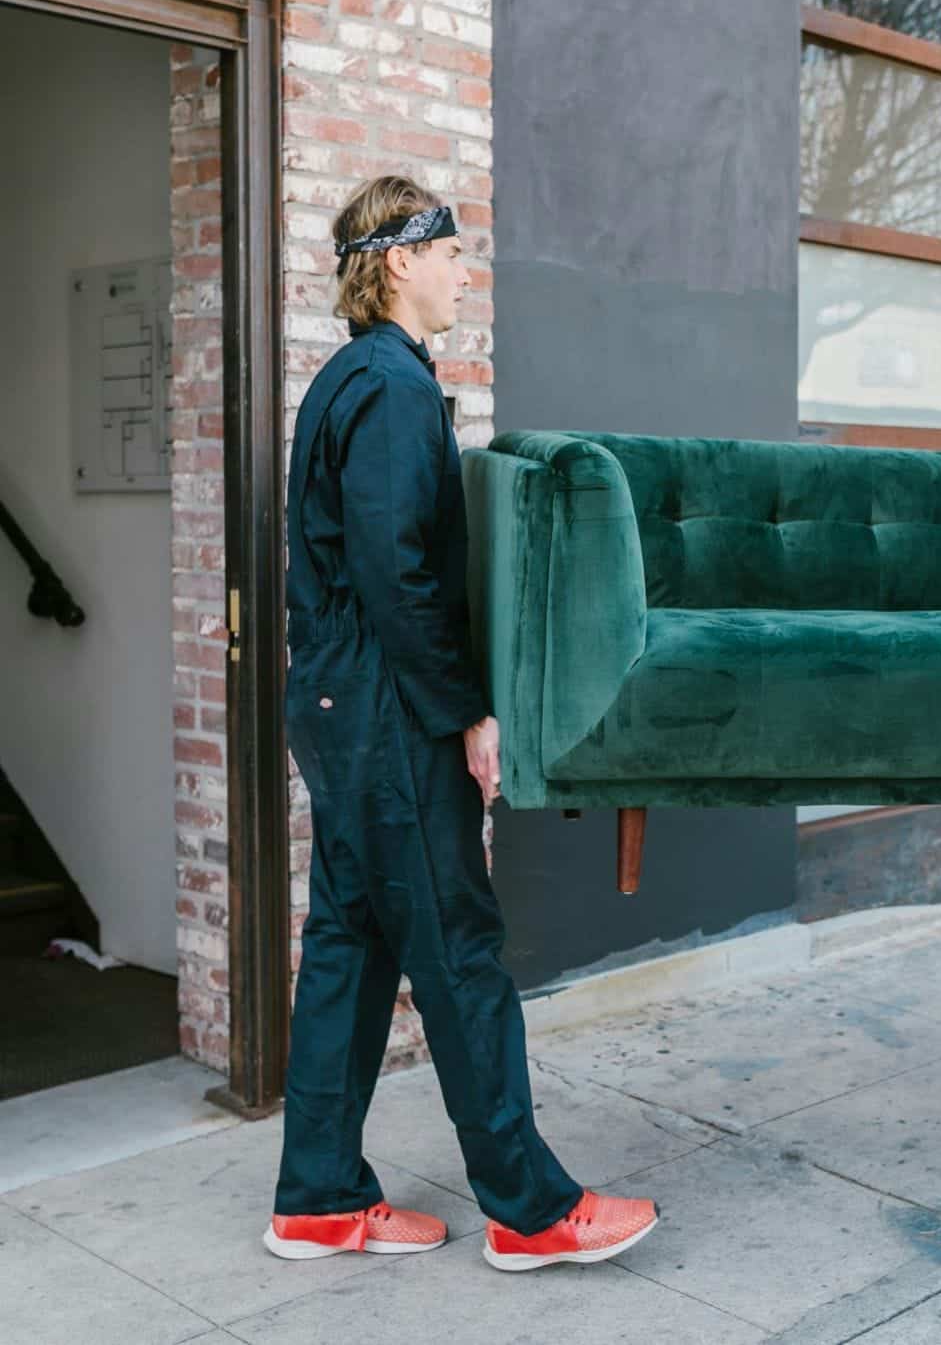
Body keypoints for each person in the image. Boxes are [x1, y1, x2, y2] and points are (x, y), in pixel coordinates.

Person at [266, 175, 658, 1270]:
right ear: (399, 261)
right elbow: (396, 576)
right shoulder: (390, 387)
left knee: (349, 944)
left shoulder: (348, 379)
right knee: (460, 949)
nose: (460, 272)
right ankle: (531, 1209)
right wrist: (466, 712)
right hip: (386, 713)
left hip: (339, 705)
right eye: (448, 253)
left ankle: (318, 1199)